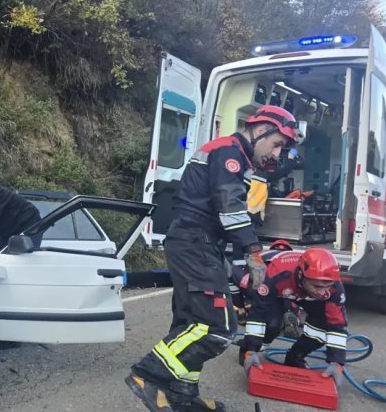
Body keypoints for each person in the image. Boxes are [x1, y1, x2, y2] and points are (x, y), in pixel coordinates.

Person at [126, 105, 302, 412]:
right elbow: (229, 207)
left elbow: (226, 215)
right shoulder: (228, 152)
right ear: (260, 130)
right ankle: (147, 374)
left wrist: (239, 267)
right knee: (217, 327)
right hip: (195, 241)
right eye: (276, 144)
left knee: (190, 324)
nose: (277, 154)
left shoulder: (236, 157)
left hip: (199, 242)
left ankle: (182, 395)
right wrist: (253, 251)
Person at [239, 248, 348, 387]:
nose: (323, 292)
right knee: (271, 324)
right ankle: (245, 348)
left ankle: (295, 356)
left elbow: (337, 325)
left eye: (327, 286)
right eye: (317, 286)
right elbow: (258, 313)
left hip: (302, 293)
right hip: (277, 290)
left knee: (323, 327)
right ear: (302, 275)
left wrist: (336, 363)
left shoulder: (334, 288)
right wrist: (251, 350)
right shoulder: (274, 275)